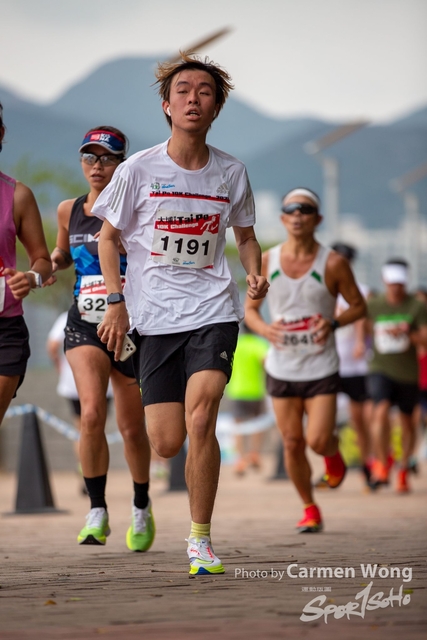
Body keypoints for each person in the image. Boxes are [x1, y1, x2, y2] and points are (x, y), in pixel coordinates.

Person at [93, 52, 269, 575]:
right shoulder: (138, 169)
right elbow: (107, 239)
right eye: (184, 92)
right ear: (167, 106)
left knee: (203, 415)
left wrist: (254, 272)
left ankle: (200, 541)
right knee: (167, 442)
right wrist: (116, 302)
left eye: (205, 92)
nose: (194, 99)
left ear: (216, 108)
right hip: (154, 318)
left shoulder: (231, 172)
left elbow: (246, 237)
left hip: (213, 310)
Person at [46, 126, 154, 550]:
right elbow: (62, 252)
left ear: (122, 164)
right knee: (90, 414)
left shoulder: (137, 209)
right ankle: (96, 510)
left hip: (129, 327)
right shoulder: (68, 210)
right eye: (90, 158)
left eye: (107, 159)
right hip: (85, 324)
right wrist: (50, 262)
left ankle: (141, 506)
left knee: (131, 428)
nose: (97, 166)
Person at [245, 187, 366, 533]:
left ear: (318, 219)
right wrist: (266, 330)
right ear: (282, 219)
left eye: (306, 209)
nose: (297, 215)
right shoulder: (267, 260)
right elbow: (250, 311)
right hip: (281, 366)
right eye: (291, 210)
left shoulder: (334, 263)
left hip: (320, 366)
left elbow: (359, 306)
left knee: (317, 440)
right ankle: (309, 508)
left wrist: (333, 324)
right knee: (292, 442)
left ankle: (332, 452)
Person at [0, 102, 51, 425]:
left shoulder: (18, 195)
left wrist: (30, 278)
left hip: (5, 330)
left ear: (0, 133)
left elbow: (43, 261)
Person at [366, 259, 427, 492]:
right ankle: (383, 462)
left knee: (407, 423)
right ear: (385, 281)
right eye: (392, 283)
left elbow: (425, 339)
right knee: (380, 412)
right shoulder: (375, 304)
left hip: (408, 373)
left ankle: (404, 468)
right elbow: (364, 325)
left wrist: (407, 332)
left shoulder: (417, 306)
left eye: (400, 284)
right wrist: (361, 344)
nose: (396, 288)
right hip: (380, 367)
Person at [46, 311, 113, 493]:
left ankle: (86, 467)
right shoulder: (107, 311)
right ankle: (89, 469)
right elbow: (52, 345)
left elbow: (52, 346)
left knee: (84, 427)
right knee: (93, 426)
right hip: (96, 380)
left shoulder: (66, 316)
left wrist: (60, 365)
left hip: (76, 381)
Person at [326, 242, 372, 486]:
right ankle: (332, 468)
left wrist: (360, 342)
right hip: (327, 363)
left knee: (359, 420)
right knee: (325, 422)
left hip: (354, 365)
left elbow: (363, 320)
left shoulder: (362, 290)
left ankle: (366, 467)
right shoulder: (323, 286)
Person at [225, 323, 269, 475]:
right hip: (256, 391)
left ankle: (240, 459)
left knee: (237, 426)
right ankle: (254, 454)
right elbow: (266, 363)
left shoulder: (236, 344)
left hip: (237, 391)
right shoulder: (259, 344)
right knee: (257, 424)